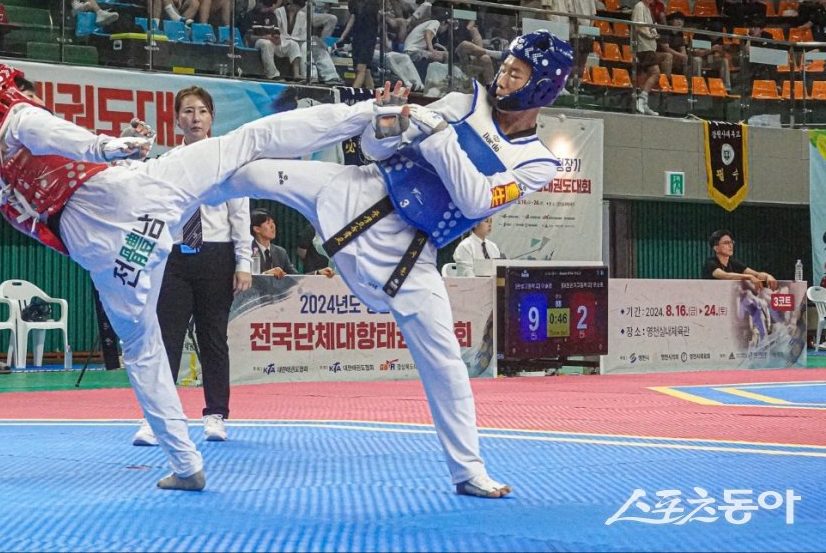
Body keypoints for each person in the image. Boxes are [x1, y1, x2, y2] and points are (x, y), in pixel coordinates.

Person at [0, 62, 386, 491]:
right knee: (249, 142)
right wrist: (109, 147)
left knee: (144, 352)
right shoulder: (20, 119)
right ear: (6, 95)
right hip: (129, 198)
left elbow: (50, 229)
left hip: (107, 257)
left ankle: (186, 466)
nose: (33, 97)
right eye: (24, 89)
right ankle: (371, 114)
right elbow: (54, 134)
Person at [204, 30, 575, 499]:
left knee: (445, 362)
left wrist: (440, 139)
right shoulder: (464, 102)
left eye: (516, 73)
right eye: (504, 68)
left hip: (410, 253)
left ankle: (468, 471)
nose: (502, 78)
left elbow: (476, 199)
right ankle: (166, 195)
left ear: (541, 86)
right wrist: (385, 125)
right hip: (359, 190)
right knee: (252, 173)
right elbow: (384, 149)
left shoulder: (537, 162)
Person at [134, 86, 253, 448]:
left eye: (202, 111)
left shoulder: (227, 159)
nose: (195, 118)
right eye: (188, 111)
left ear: (211, 118)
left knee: (213, 337)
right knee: (164, 340)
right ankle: (157, 418)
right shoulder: (168, 161)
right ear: (177, 119)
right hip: (172, 257)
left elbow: (240, 214)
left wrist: (243, 262)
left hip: (217, 255)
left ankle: (216, 414)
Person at [250, 209, 334, 278]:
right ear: (257, 229)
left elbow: (296, 278)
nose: (273, 226)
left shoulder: (280, 252)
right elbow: (243, 278)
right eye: (268, 223)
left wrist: (317, 273)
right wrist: (265, 275)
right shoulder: (246, 251)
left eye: (273, 222)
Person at [701, 230, 777, 289]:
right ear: (716, 248)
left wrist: (768, 276)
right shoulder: (710, 263)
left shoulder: (734, 263)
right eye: (726, 243)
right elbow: (726, 275)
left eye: (731, 242)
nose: (730, 245)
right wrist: (749, 277)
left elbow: (756, 274)